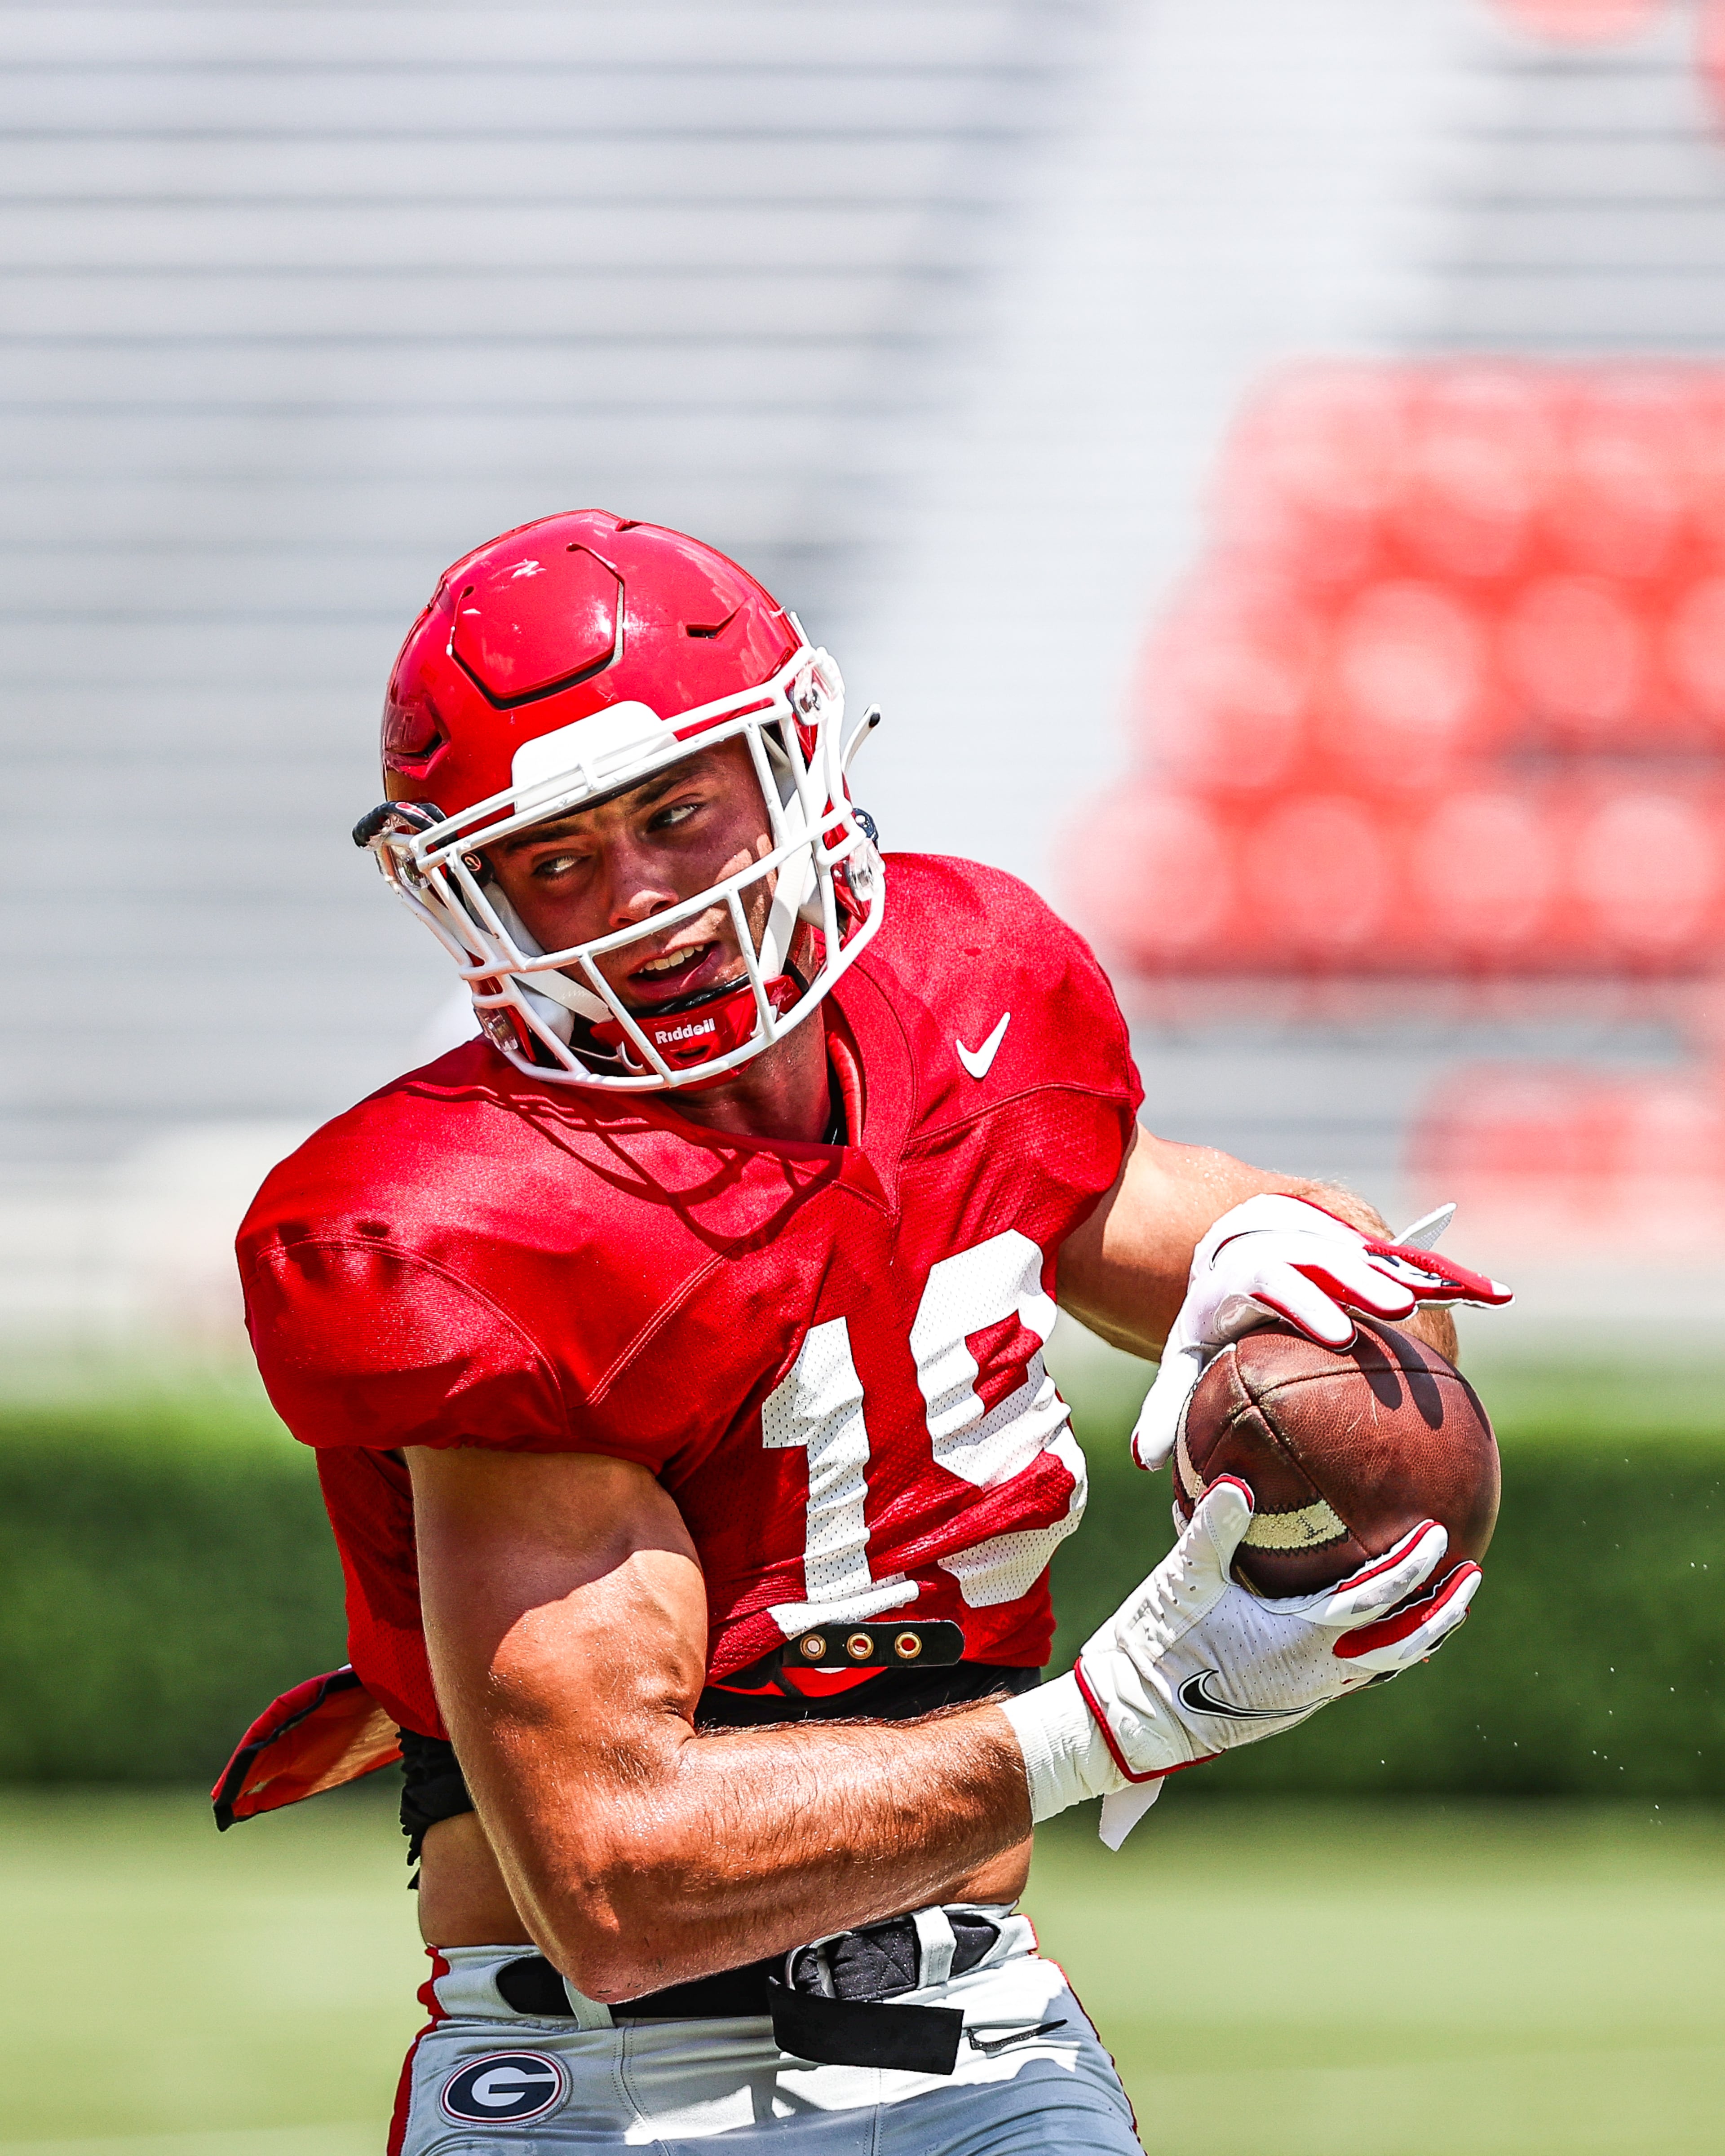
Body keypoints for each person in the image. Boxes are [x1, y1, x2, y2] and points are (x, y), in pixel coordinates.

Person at [227, 511, 1511, 2155]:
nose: (642, 903)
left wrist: (1306, 1270)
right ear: (469, 898)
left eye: (678, 814)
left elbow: (1349, 1347)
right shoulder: (480, 1220)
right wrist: (1111, 1720)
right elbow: (616, 1885)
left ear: (794, 768)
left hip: (983, 2037)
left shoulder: (967, 997)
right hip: (610, 2085)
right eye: (556, 861)